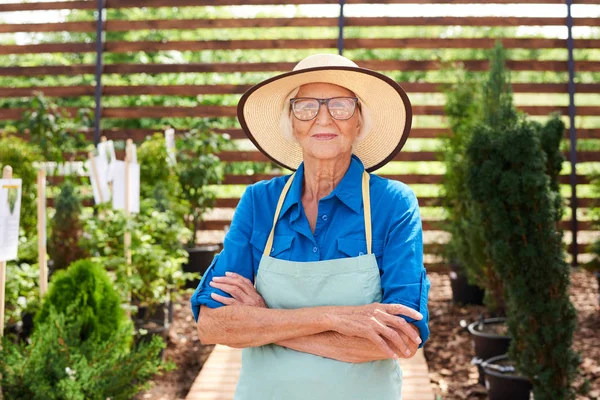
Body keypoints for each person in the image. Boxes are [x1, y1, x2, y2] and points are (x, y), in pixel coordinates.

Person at [191, 53, 431, 400]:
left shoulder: (393, 204)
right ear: (292, 120)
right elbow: (211, 324)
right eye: (306, 106)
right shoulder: (260, 202)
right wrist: (337, 317)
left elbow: (402, 337)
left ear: (359, 120)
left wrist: (264, 321)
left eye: (340, 106)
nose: (323, 118)